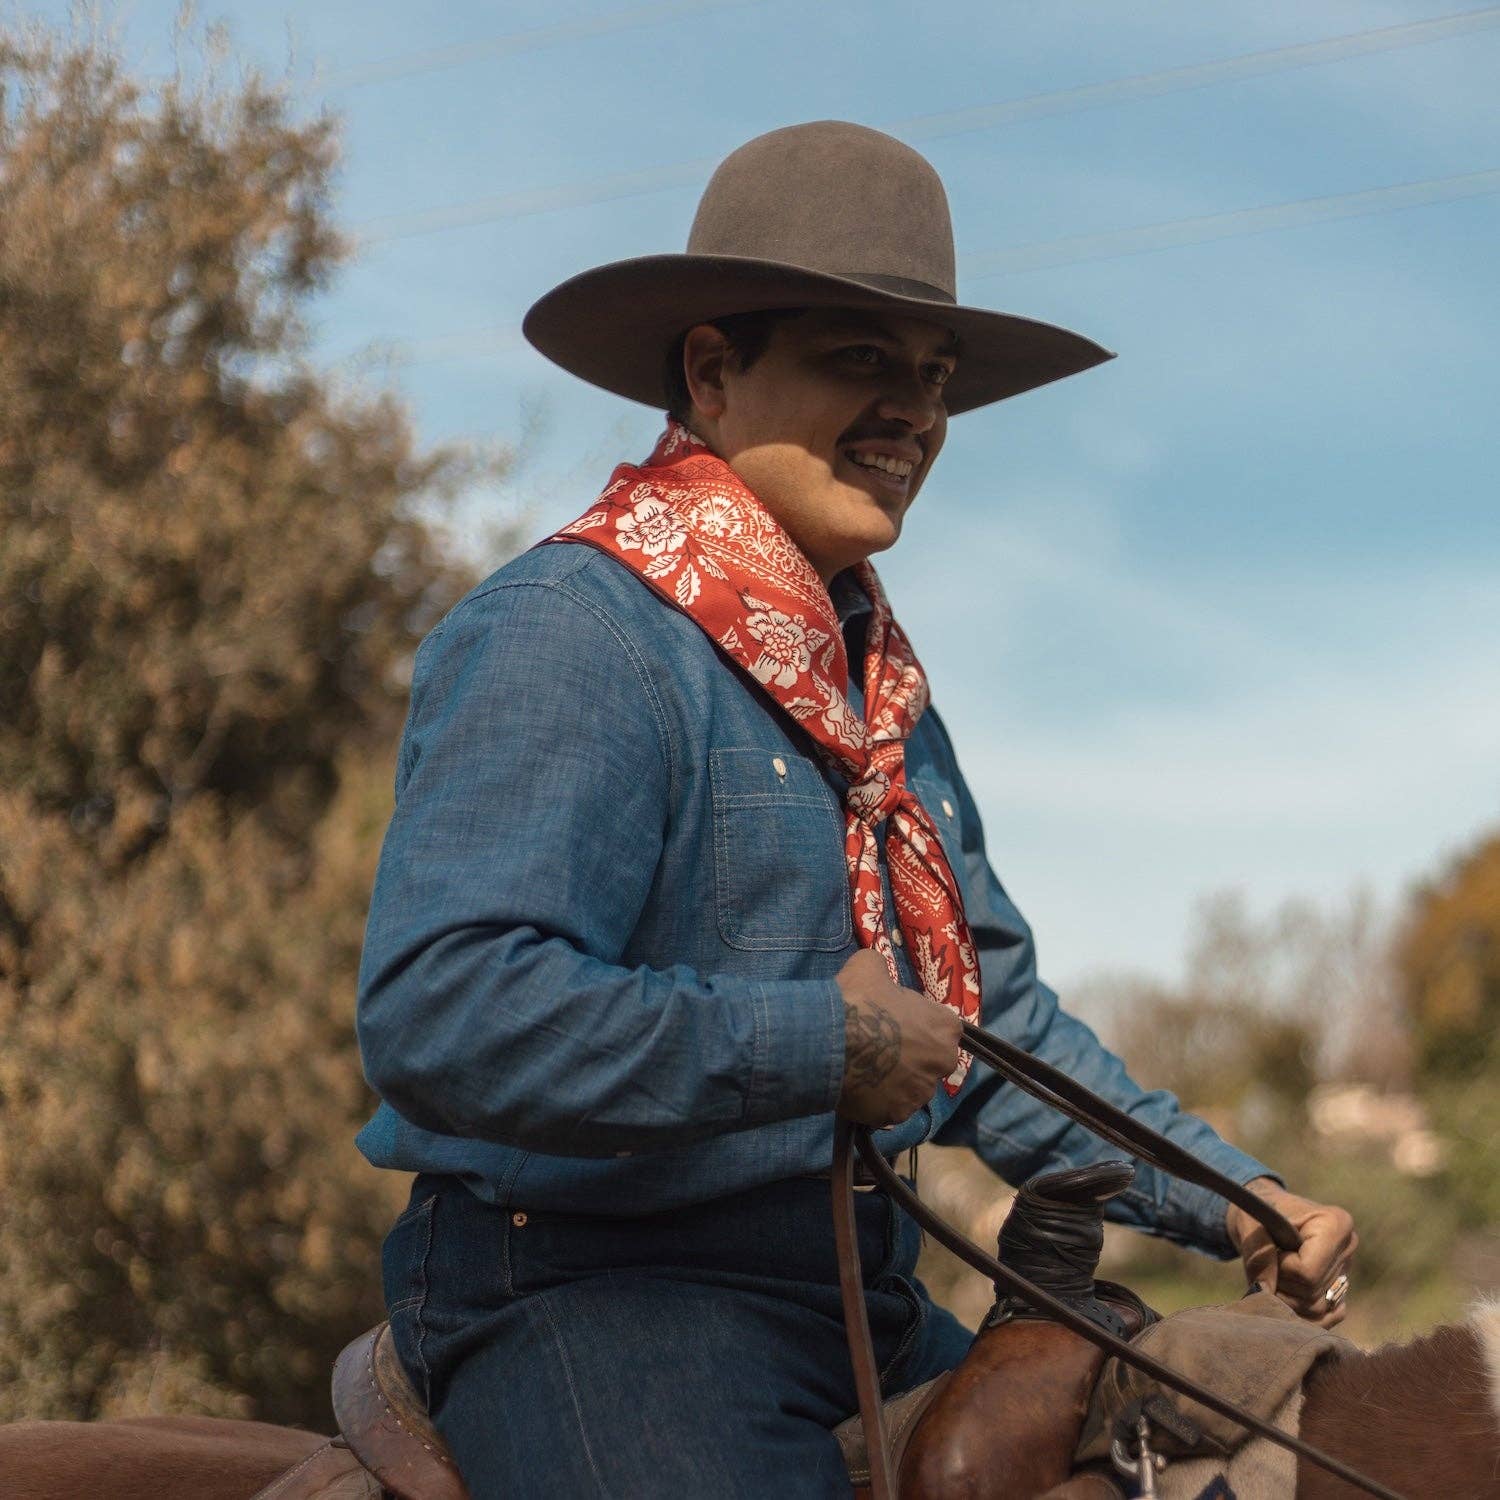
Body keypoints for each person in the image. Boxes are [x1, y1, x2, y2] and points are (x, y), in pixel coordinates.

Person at [354, 120, 1356, 1499]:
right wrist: (816, 1045)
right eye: (860, 361)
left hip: (859, 1300)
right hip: (592, 1292)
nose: (917, 416)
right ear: (711, 369)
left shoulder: (879, 695)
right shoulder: (569, 634)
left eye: (934, 379)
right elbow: (444, 1008)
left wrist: (1246, 1202)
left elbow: (994, 1031)